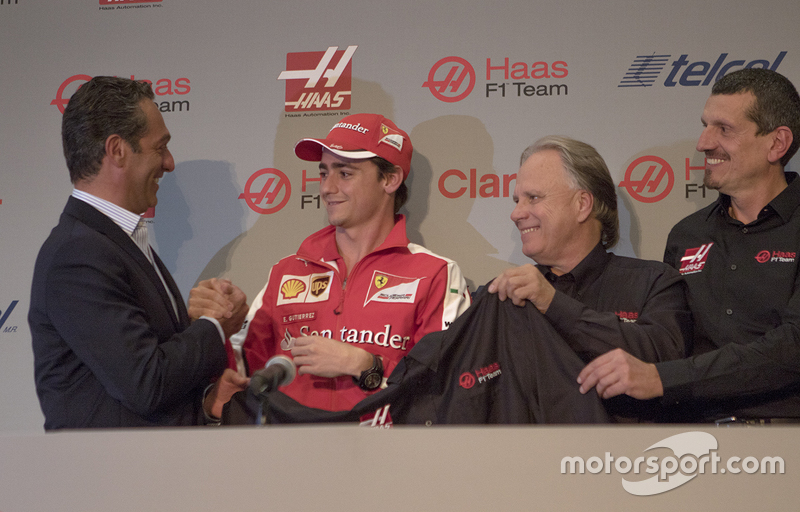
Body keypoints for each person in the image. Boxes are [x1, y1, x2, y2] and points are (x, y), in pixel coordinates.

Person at [193, 113, 471, 414]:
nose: (327, 188)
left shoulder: (436, 274)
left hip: (389, 455)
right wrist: (219, 324)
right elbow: (240, 375)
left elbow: (449, 386)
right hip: (291, 453)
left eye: (345, 173)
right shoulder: (287, 271)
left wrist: (364, 365)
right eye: (324, 173)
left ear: (390, 179)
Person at [578, 68, 800, 422]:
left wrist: (660, 379)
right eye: (705, 125)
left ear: (777, 143)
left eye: (723, 129)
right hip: (689, 446)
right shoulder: (687, 235)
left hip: (784, 447)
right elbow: (669, 340)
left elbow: (793, 350)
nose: (703, 143)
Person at [29, 76, 248, 430]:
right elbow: (147, 383)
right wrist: (214, 326)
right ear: (117, 150)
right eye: (159, 147)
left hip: (144, 473)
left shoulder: (116, 240)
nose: (170, 162)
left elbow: (144, 379)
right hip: (110, 479)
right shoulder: (78, 254)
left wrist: (207, 401)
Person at [488, 136, 691, 418]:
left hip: (625, 459)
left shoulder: (654, 281)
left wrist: (554, 304)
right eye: (517, 200)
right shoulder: (505, 294)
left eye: (533, 198)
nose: (516, 213)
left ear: (582, 204)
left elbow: (666, 363)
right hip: (528, 458)